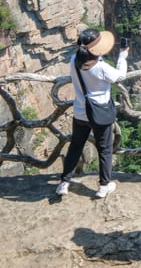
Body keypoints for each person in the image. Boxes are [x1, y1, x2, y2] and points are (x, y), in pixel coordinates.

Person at [56, 28, 128, 198]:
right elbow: (120, 76)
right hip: (99, 115)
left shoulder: (74, 60)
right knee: (104, 149)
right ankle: (104, 185)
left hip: (80, 113)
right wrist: (123, 57)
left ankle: (64, 183)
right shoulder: (101, 68)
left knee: (75, 146)